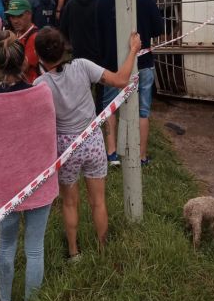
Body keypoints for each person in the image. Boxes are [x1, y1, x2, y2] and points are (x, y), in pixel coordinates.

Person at [34, 26, 141, 261]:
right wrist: (133, 50)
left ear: (39, 56)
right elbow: (121, 80)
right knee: (98, 201)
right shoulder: (82, 66)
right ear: (64, 48)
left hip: (65, 148)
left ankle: (74, 252)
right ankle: (103, 248)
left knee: (70, 203)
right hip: (92, 141)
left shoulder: (39, 85)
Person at [0, 30, 58, 301]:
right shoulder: (42, 93)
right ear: (24, 64)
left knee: (6, 246)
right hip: (39, 180)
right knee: (35, 248)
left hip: (5, 185)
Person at [96, 0, 164, 165]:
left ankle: (112, 152)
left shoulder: (102, 1)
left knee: (109, 107)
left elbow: (97, 33)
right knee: (142, 109)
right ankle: (140, 155)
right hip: (142, 63)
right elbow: (158, 30)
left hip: (111, 65)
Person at [6, 0, 39, 83]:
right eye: (12, 17)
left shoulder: (34, 38)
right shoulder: (18, 34)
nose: (15, 21)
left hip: (31, 87)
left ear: (29, 14)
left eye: (20, 16)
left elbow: (23, 68)